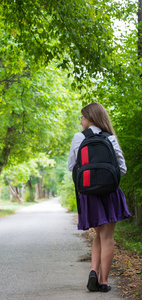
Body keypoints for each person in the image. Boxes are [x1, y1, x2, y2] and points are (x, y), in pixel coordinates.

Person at [68, 102, 131, 293]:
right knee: (107, 236)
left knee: (99, 234)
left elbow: (72, 167)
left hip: (88, 194)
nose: (80, 121)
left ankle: (94, 270)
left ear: (89, 117)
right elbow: (122, 168)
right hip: (109, 193)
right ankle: (103, 281)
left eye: (82, 117)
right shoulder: (110, 138)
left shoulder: (79, 137)